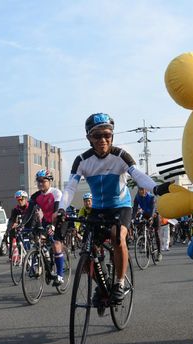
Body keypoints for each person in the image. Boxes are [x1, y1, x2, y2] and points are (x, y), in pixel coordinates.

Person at [58, 113, 166, 304]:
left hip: (120, 207)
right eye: (97, 136)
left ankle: (120, 282)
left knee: (117, 237)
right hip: (99, 209)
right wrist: (61, 209)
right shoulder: (82, 160)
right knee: (86, 256)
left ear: (112, 136)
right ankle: (102, 283)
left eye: (107, 135)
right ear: (89, 138)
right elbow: (70, 187)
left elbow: (138, 175)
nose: (103, 140)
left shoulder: (120, 156)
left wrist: (155, 189)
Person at [22, 169, 66, 286]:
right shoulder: (35, 196)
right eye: (38, 181)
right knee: (38, 241)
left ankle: (60, 276)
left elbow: (56, 210)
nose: (40, 183)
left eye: (43, 181)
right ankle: (46, 262)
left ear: (50, 181)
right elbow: (29, 213)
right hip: (46, 221)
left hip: (58, 220)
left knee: (56, 245)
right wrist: (22, 225)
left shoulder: (56, 193)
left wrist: (53, 225)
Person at [132, 187, 162, 261]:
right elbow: (135, 208)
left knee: (156, 233)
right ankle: (145, 243)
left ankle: (159, 253)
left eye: (143, 190)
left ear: (146, 190)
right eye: (140, 190)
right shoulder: (137, 197)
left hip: (154, 214)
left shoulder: (151, 196)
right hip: (145, 214)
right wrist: (132, 218)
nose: (142, 192)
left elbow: (153, 208)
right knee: (141, 227)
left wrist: (151, 218)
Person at [5, 190, 31, 259]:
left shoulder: (30, 207)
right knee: (13, 233)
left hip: (32, 225)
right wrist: (7, 230)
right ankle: (16, 254)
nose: (19, 201)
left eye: (21, 199)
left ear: (26, 199)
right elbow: (11, 220)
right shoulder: (16, 209)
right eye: (18, 200)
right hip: (22, 227)